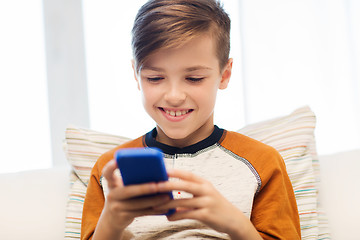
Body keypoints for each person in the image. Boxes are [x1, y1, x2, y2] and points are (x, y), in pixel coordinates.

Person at [81, 0, 301, 239]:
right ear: (136, 75)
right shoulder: (110, 172)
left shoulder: (263, 163)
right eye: (155, 78)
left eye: (194, 78)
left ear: (224, 75)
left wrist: (235, 224)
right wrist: (110, 224)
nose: (174, 96)